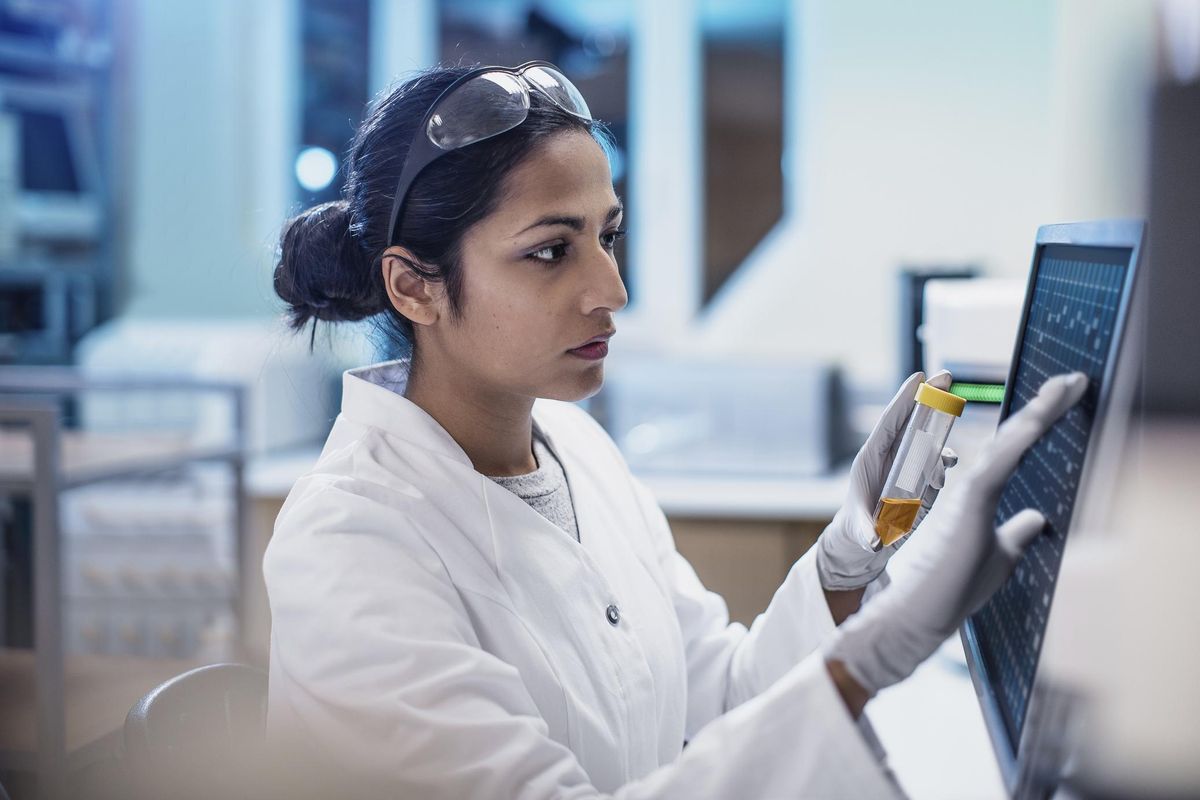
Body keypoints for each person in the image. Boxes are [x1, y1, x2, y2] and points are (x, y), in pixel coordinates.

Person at [264, 62, 1086, 799]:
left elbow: (723, 698)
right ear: (413, 287)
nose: (611, 288)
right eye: (552, 252)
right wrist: (868, 661)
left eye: (608, 235)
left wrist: (850, 557)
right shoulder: (350, 541)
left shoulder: (577, 449)